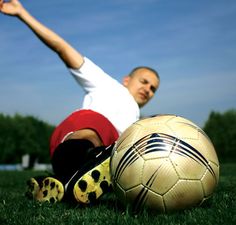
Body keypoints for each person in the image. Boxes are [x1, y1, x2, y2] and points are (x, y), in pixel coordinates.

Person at [0, 0, 160, 204]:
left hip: (96, 152)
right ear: (127, 80)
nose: (148, 89)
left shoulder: (136, 121)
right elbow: (62, 48)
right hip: (80, 132)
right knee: (97, 130)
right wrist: (22, 13)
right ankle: (93, 158)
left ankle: (58, 183)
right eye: (144, 82)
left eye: (153, 89)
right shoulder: (106, 84)